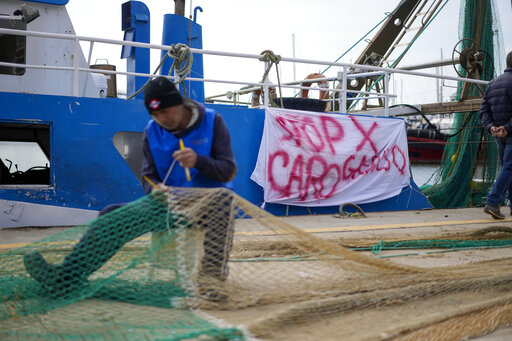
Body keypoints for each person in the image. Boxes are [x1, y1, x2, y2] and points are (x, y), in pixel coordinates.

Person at [23, 77, 237, 299]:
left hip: (208, 205)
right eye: (155, 114)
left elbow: (228, 170)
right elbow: (148, 176)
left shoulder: (212, 122)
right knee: (111, 214)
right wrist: (155, 190)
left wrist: (199, 161)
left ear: (179, 104)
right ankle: (66, 278)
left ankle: (211, 282)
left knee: (224, 203)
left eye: (165, 112)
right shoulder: (152, 130)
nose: (161, 119)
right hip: (170, 204)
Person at [480, 51, 512, 219]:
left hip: (498, 135)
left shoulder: (492, 84)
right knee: (509, 167)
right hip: (509, 132)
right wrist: (507, 127)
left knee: (508, 168)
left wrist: (491, 127)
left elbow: (483, 110)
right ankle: (493, 202)